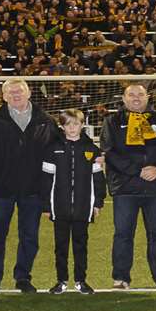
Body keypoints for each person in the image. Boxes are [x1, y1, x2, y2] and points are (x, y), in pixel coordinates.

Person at [0, 78, 54, 293]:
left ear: (29, 93)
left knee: (29, 236)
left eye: (20, 91)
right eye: (11, 92)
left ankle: (23, 277)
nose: (16, 95)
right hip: (1, 189)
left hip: (33, 190)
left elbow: (55, 153)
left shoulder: (45, 120)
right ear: (4, 96)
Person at [104, 82, 156, 290]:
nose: (136, 98)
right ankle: (120, 278)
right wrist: (137, 170)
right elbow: (110, 152)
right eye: (132, 95)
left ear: (147, 97)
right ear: (124, 98)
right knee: (123, 234)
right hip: (125, 188)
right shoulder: (112, 121)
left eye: (140, 94)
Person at [42, 109, 105, 294]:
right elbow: (46, 179)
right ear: (62, 126)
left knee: (81, 245)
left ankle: (81, 280)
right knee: (60, 246)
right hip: (59, 206)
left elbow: (98, 178)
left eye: (76, 123)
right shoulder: (52, 148)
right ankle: (61, 280)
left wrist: (98, 202)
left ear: (82, 125)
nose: (72, 127)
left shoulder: (92, 149)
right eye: (68, 124)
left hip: (83, 207)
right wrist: (46, 204)